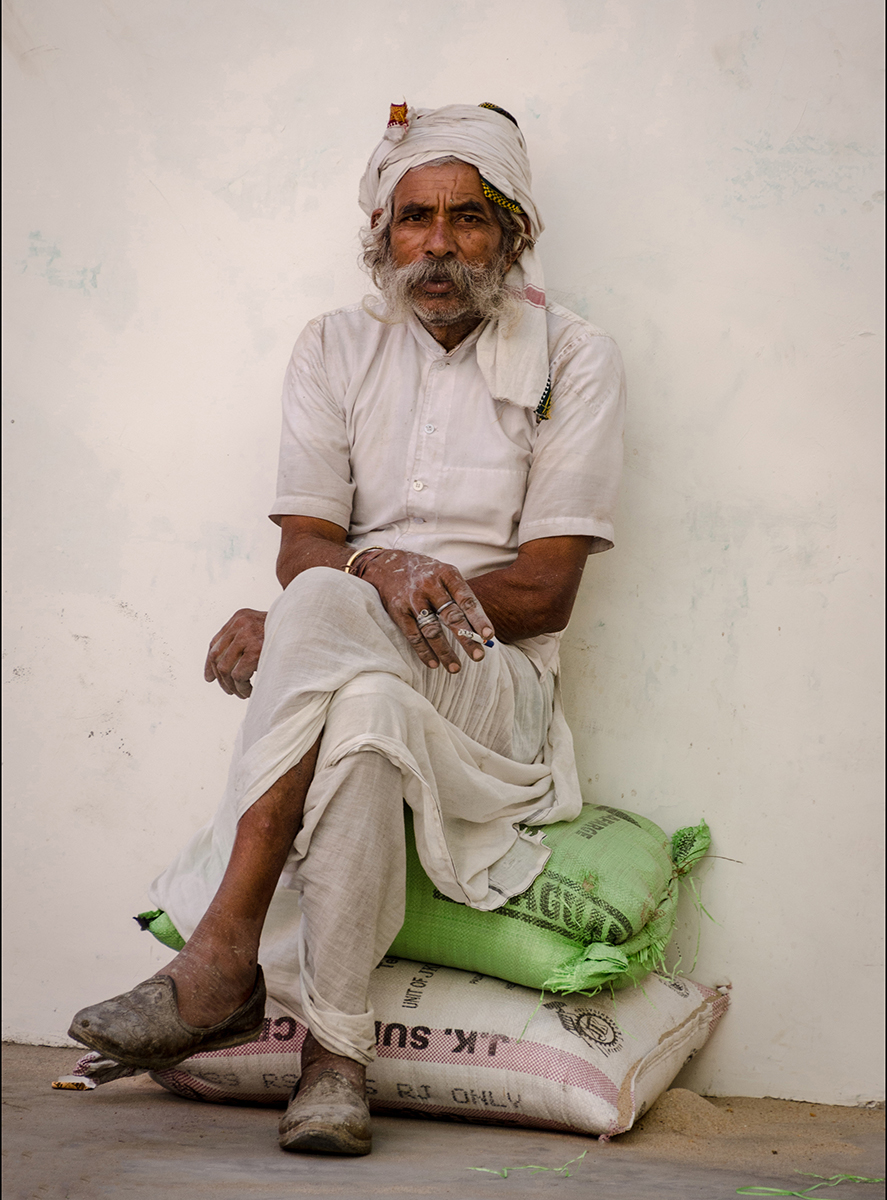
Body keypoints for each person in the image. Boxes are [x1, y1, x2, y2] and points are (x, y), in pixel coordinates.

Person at [68, 101, 626, 1157]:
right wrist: (360, 575)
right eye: (414, 218)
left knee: (320, 605)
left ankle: (220, 952)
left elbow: (545, 592)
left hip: (491, 689)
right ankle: (334, 1062)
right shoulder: (333, 349)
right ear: (381, 233)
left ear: (511, 233)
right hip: (362, 673)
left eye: (468, 218)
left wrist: (305, 613)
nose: (438, 244)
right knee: (362, 706)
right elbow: (305, 547)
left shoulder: (574, 360)